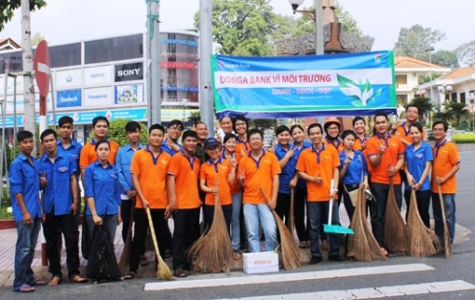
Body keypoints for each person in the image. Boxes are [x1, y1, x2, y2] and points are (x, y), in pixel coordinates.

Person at [124, 124, 174, 279]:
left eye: (160, 135)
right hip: (142, 204)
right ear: (148, 137)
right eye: (154, 135)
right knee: (138, 237)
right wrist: (142, 198)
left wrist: (170, 202)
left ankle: (160, 268)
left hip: (161, 204)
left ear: (163, 137)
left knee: (161, 237)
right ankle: (133, 269)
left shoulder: (167, 157)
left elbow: (169, 181)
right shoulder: (139, 155)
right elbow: (135, 178)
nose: (157, 138)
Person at [38, 129, 87, 285]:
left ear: (56, 140)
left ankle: (74, 273)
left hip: (66, 206)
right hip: (49, 208)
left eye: (52, 140)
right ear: (43, 144)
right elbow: (36, 189)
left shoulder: (67, 159)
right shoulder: (39, 163)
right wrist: (40, 184)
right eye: (46, 141)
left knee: (71, 240)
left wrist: (76, 201)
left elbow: (73, 180)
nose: (50, 143)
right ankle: (56, 274)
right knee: (52, 243)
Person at [296, 123, 342, 264]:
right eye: (313, 134)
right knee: (314, 226)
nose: (315, 136)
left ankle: (334, 252)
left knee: (334, 223)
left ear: (321, 134)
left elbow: (336, 169)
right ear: (309, 136)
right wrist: (312, 179)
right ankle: (315, 254)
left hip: (330, 194)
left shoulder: (331, 150)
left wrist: (334, 188)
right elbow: (300, 171)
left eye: (318, 133)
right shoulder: (305, 153)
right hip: (313, 195)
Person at [9, 131, 44, 293]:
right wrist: (24, 212)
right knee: (23, 248)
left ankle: (28, 277)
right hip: (25, 213)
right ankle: (19, 282)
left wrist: (41, 210)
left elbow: (36, 189)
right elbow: (17, 191)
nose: (29, 145)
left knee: (30, 247)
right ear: (18, 145)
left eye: (31, 142)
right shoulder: (17, 164)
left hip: (35, 211)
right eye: (25, 142)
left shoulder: (34, 161)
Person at [366, 112, 405, 256]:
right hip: (378, 183)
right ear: (374, 125)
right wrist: (381, 154)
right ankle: (380, 244)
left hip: (394, 182)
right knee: (378, 214)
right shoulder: (371, 142)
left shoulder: (397, 140)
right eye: (378, 123)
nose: (381, 125)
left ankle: (394, 242)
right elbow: (373, 163)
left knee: (394, 213)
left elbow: (401, 158)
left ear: (387, 123)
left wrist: (395, 168)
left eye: (383, 122)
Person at [238, 128, 280, 253]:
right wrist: (241, 180)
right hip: (249, 201)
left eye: (258, 139)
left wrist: (274, 199)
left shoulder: (271, 157)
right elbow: (242, 184)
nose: (255, 141)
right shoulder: (243, 160)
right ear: (249, 143)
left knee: (271, 231)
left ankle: (270, 255)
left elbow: (276, 179)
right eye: (252, 139)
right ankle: (256, 258)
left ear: (262, 141)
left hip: (266, 201)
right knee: (252, 233)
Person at [167, 130, 202, 278]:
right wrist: (173, 200)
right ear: (183, 142)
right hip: (180, 204)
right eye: (188, 141)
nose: (191, 143)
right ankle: (178, 266)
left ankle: (188, 262)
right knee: (179, 236)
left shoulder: (197, 160)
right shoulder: (176, 158)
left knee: (191, 236)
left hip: (194, 203)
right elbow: (170, 179)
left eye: (194, 141)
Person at [116, 121, 149, 266]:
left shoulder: (146, 151)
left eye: (136, 131)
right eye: (131, 132)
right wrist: (127, 190)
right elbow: (119, 172)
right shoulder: (121, 152)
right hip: (126, 195)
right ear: (127, 134)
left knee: (141, 226)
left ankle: (140, 253)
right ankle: (128, 251)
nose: (134, 134)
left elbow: (148, 173)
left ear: (140, 133)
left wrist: (139, 190)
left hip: (142, 195)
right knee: (127, 226)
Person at [84, 139, 122, 249]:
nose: (103, 152)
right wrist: (94, 214)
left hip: (112, 211)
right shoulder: (90, 169)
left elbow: (116, 192)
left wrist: (118, 213)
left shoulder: (114, 169)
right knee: (96, 244)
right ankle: (96, 267)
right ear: (96, 152)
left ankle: (108, 266)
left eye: (106, 149)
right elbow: (89, 193)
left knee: (109, 243)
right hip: (96, 212)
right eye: (100, 149)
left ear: (110, 151)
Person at [199, 137, 236, 243]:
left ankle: (226, 251)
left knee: (226, 228)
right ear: (206, 150)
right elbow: (202, 185)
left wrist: (233, 168)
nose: (213, 151)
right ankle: (214, 251)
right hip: (211, 202)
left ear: (219, 148)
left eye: (215, 148)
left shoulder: (227, 163)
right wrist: (211, 190)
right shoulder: (204, 166)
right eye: (210, 149)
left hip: (226, 201)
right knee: (212, 228)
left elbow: (231, 181)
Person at [431, 121, 460, 247]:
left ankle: (449, 240)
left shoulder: (450, 147)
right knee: (437, 216)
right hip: (435, 188)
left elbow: (456, 165)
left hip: (447, 188)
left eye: (440, 129)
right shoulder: (433, 148)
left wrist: (444, 179)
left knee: (448, 216)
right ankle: (439, 239)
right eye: (435, 129)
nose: (437, 131)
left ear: (445, 132)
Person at [404, 122, 433, 227]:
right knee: (410, 214)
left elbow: (428, 167)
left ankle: (426, 240)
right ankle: (411, 238)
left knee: (423, 214)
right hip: (409, 188)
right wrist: (407, 174)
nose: (414, 135)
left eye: (416, 133)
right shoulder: (408, 148)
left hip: (423, 188)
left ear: (421, 133)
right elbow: (405, 166)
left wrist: (420, 183)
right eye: (412, 133)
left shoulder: (426, 148)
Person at [339, 130, 369, 222]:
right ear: (343, 140)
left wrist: (366, 181)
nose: (350, 142)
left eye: (352, 140)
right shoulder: (340, 156)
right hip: (349, 190)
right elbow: (339, 177)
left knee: (364, 215)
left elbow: (365, 169)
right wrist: (345, 165)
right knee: (353, 217)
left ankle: (361, 235)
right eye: (348, 139)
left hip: (361, 187)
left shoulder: (359, 154)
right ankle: (352, 236)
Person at [221, 133, 242, 258]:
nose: (231, 144)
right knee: (223, 221)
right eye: (228, 142)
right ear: (224, 144)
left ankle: (235, 247)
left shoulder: (239, 157)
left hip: (235, 193)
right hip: (223, 193)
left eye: (234, 142)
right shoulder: (218, 156)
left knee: (235, 220)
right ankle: (223, 245)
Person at [290, 124, 312, 248]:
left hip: (310, 184)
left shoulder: (310, 146)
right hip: (296, 186)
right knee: (298, 213)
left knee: (311, 212)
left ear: (303, 133)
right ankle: (302, 238)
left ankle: (310, 236)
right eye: (295, 133)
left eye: (299, 132)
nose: (297, 135)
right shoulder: (290, 148)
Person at [79, 116, 119, 183]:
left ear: (108, 129)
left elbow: (118, 169)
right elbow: (84, 171)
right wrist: (87, 190)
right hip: (94, 186)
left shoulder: (115, 146)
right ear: (93, 129)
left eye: (104, 126)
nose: (102, 129)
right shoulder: (86, 148)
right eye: (99, 126)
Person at [274, 125, 297, 227]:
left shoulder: (294, 148)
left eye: (286, 135)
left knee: (291, 216)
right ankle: (280, 240)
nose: (284, 137)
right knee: (279, 216)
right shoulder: (274, 151)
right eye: (281, 135)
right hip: (280, 189)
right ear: (277, 137)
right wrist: (287, 156)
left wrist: (296, 178)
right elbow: (277, 168)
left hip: (293, 188)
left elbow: (300, 167)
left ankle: (289, 238)